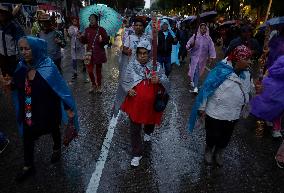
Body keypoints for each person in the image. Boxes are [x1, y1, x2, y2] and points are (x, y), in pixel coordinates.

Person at [13, 36, 78, 182]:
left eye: (27, 48)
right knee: (28, 136)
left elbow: (60, 89)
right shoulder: (21, 66)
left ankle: (56, 147)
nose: (24, 52)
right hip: (29, 110)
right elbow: (16, 86)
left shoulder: (48, 65)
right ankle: (28, 165)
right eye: (21, 49)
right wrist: (8, 83)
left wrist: (68, 107)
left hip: (48, 110)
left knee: (53, 129)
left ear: (35, 49)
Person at [188, 45, 253, 166]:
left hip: (233, 114)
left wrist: (255, 90)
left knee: (226, 136)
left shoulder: (247, 74)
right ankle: (209, 149)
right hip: (215, 112)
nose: (250, 62)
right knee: (212, 134)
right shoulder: (220, 70)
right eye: (247, 59)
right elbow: (207, 89)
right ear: (238, 59)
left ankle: (219, 152)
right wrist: (202, 107)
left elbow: (248, 90)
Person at [120, 40, 170, 167]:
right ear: (136, 54)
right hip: (135, 104)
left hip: (151, 104)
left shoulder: (156, 66)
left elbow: (167, 83)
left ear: (149, 54)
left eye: (145, 53)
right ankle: (137, 154)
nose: (142, 56)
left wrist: (159, 79)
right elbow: (125, 81)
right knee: (134, 129)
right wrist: (128, 89)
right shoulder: (131, 65)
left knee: (150, 121)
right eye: (140, 53)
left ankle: (148, 132)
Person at [79, 14, 109, 93]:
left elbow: (106, 41)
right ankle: (93, 84)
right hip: (89, 53)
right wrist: (81, 38)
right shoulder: (87, 30)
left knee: (98, 71)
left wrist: (102, 41)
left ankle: (99, 86)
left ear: (96, 20)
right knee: (89, 70)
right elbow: (84, 41)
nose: (91, 20)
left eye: (93, 19)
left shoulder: (101, 30)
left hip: (99, 53)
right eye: (90, 19)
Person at [186, 23, 216, 94]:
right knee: (195, 72)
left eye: (204, 28)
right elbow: (188, 45)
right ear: (199, 29)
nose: (203, 30)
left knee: (198, 72)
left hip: (203, 59)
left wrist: (211, 57)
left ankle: (193, 82)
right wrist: (191, 45)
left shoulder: (208, 39)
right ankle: (195, 87)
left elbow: (211, 48)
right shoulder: (195, 36)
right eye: (202, 28)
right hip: (194, 58)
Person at [0, 5, 25, 80]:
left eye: (3, 12)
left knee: (14, 76)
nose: (1, 14)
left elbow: (21, 40)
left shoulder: (14, 25)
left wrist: (21, 57)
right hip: (2, 56)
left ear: (7, 14)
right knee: (5, 76)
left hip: (13, 56)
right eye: (0, 13)